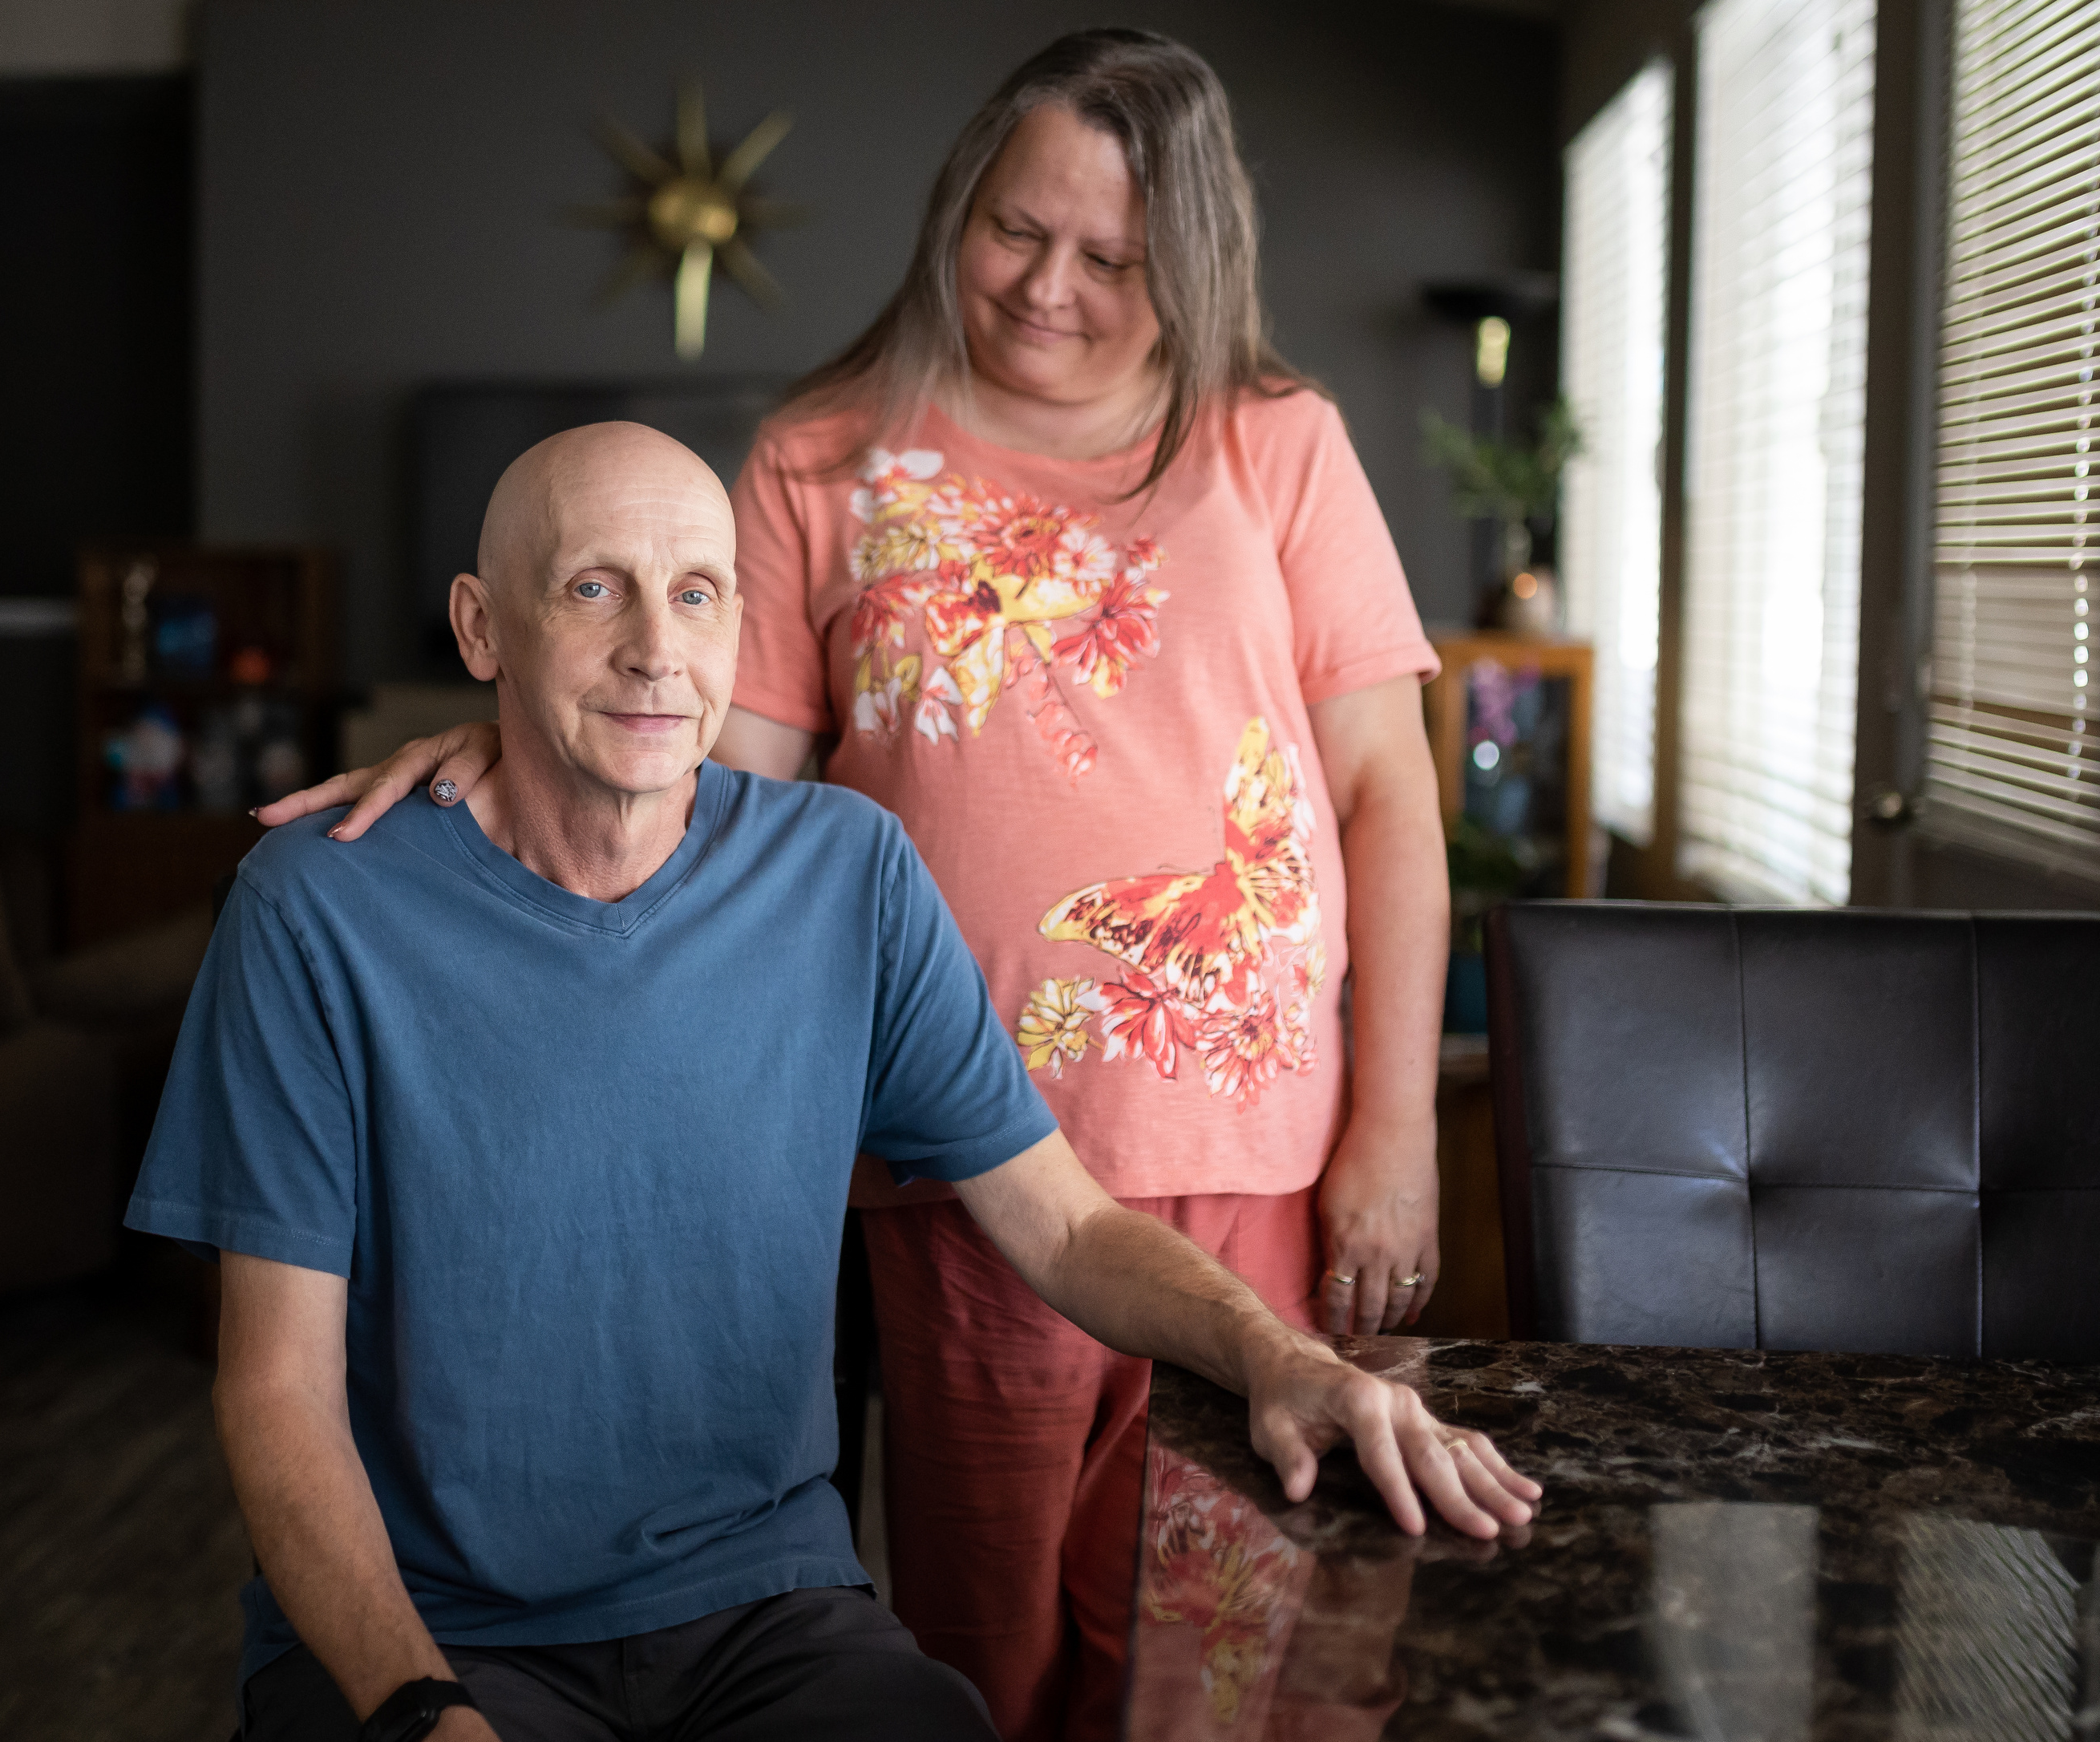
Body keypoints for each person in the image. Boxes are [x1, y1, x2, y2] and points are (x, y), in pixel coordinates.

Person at [265, 30, 1455, 1741]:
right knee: (988, 1644)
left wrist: (1395, 1130)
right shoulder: (823, 457)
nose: (1048, 285)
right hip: (955, 1154)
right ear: (954, 206)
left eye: (1111, 257)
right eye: (1011, 227)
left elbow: (1383, 790)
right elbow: (690, 776)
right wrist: (499, 734)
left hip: (1255, 1146)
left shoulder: (1275, 440)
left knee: (1216, 1643)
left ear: (1186, 259)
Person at [146, 423, 1533, 1742]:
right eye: (592, 589)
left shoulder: (845, 873)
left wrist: (1282, 1359)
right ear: (479, 628)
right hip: (431, 1631)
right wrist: (418, 1711)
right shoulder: (315, 910)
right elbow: (275, 1392)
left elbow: (1063, 1223)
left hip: (762, 1614)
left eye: (698, 594)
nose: (654, 649)